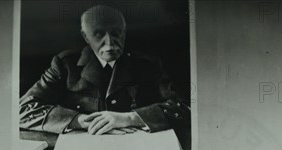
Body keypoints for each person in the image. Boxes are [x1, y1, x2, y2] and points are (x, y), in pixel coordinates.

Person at [19, 5, 190, 141]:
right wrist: (80, 121)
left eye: (116, 33)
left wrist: (131, 118)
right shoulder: (65, 65)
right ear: (85, 37)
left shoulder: (148, 65)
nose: (109, 43)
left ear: (125, 32)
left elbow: (184, 107)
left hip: (136, 149)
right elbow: (23, 110)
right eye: (99, 34)